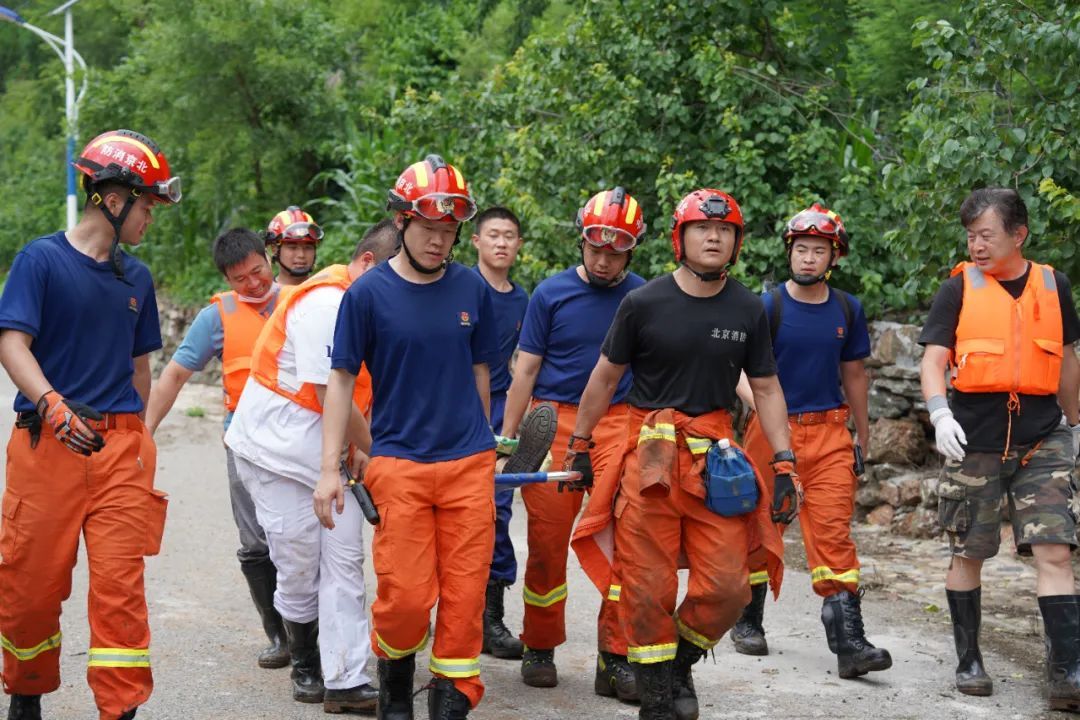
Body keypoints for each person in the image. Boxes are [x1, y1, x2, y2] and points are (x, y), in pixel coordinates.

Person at [570, 188, 791, 720]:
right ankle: (656, 700)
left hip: (716, 459)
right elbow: (604, 379)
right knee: (645, 587)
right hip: (648, 457)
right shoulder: (643, 303)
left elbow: (765, 389)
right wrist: (580, 444)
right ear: (680, 238)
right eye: (702, 228)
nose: (713, 237)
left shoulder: (746, 307)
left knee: (730, 587)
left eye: (725, 231)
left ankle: (679, 665)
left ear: (736, 241)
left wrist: (784, 462)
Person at [0, 129, 180, 720]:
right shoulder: (41, 259)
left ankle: (121, 710)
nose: (150, 216)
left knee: (120, 595)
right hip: (47, 444)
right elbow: (12, 343)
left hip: (117, 453)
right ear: (112, 196)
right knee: (28, 589)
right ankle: (26, 698)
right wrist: (51, 402)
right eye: (146, 203)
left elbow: (141, 372)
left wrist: (139, 438)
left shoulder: (138, 279)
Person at [315, 154, 498, 720]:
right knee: (407, 599)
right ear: (401, 222)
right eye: (429, 229)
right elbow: (341, 381)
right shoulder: (367, 295)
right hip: (398, 465)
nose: (440, 242)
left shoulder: (472, 287)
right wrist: (330, 470)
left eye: (449, 232)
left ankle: (451, 701)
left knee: (466, 599)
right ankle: (396, 684)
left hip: (469, 463)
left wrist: (486, 443)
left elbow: (479, 372)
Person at [224, 220, 399, 713]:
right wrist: (379, 448)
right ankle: (304, 659)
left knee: (345, 562)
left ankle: (345, 678)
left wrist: (360, 450)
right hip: (275, 454)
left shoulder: (368, 304)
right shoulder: (326, 301)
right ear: (367, 264)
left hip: (328, 458)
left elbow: (366, 391)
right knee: (299, 565)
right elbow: (330, 391)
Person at [919, 187, 1080, 710]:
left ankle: (1066, 672)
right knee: (969, 550)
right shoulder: (958, 288)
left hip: (1042, 439)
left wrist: (1076, 423)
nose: (977, 245)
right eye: (970, 235)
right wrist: (939, 411)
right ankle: (969, 659)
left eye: (986, 235)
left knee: (1055, 549)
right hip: (975, 442)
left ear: (1018, 235)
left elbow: (1069, 360)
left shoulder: (1054, 286)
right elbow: (933, 360)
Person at [733, 203, 892, 678]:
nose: (807, 258)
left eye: (817, 250)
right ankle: (747, 621)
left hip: (828, 433)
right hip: (771, 431)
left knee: (833, 531)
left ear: (834, 257)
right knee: (760, 526)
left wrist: (862, 434)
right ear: (790, 252)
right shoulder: (768, 306)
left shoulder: (848, 308)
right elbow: (740, 370)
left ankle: (849, 645)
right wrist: (763, 407)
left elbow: (855, 374)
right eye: (800, 249)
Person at [499, 187, 645, 700]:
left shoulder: (643, 297)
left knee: (624, 542)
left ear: (632, 249)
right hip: (554, 424)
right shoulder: (550, 294)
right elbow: (526, 367)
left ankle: (616, 658)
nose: (604, 259)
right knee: (547, 545)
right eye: (596, 247)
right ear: (581, 242)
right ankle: (539, 646)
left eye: (617, 250)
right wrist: (509, 436)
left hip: (619, 424)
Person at [145, 228, 289, 670]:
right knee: (255, 542)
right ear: (227, 280)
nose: (254, 283)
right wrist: (144, 430)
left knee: (302, 540)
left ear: (269, 260)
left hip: (299, 442)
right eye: (241, 278)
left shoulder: (298, 302)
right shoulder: (217, 317)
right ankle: (279, 636)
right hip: (243, 444)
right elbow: (172, 376)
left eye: (258, 271)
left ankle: (310, 640)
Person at [470, 207, 531, 660]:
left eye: (510, 236)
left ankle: (491, 619)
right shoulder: (458, 287)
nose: (501, 243)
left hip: (501, 415)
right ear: (475, 241)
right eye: (493, 235)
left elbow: (522, 365)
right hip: (455, 412)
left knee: (499, 511)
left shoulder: (523, 299)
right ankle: (446, 611)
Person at [265, 206, 322, 286]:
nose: (301, 255)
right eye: (292, 247)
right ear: (274, 248)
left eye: (308, 247)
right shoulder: (264, 296)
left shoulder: (326, 290)